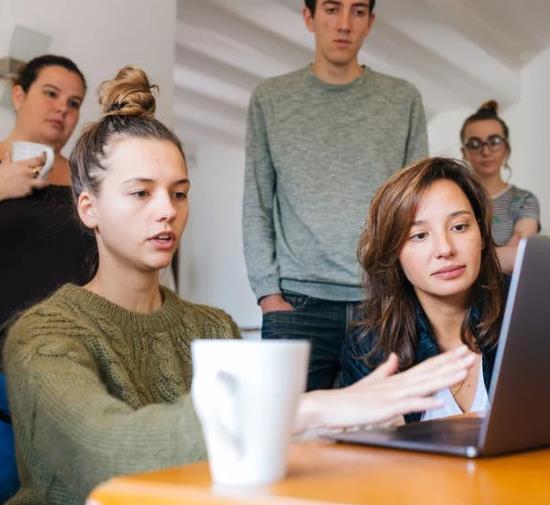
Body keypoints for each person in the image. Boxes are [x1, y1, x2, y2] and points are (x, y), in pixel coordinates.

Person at [3, 66, 472, 505]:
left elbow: (247, 462)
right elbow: (108, 455)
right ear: (89, 209)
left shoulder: (212, 326)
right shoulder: (42, 337)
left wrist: (354, 426)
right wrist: (305, 409)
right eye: (141, 192)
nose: (167, 210)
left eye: (179, 192)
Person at [243, 0, 428, 391]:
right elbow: (256, 202)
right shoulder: (270, 99)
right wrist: (267, 294)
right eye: (331, 9)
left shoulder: (403, 99)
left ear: (370, 22)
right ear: (309, 17)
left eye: (358, 11)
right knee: (289, 439)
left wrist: (409, 289)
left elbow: (417, 206)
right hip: (295, 304)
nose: (344, 23)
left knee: (381, 438)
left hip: (382, 301)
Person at [341, 157, 507, 423]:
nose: (445, 249)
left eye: (459, 227)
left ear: (482, 234)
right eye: (419, 235)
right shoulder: (369, 344)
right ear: (393, 252)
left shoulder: (526, 310)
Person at [0, 54, 95, 503]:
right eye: (51, 94)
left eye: (74, 102)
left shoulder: (83, 182)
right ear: (19, 94)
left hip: (71, 363)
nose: (63, 109)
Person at [460, 100, 540, 272]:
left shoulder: (525, 200)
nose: (486, 151)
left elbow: (518, 257)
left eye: (494, 141)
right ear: (464, 152)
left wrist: (464, 262)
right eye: (474, 144)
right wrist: (500, 256)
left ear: (506, 147)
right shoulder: (454, 198)